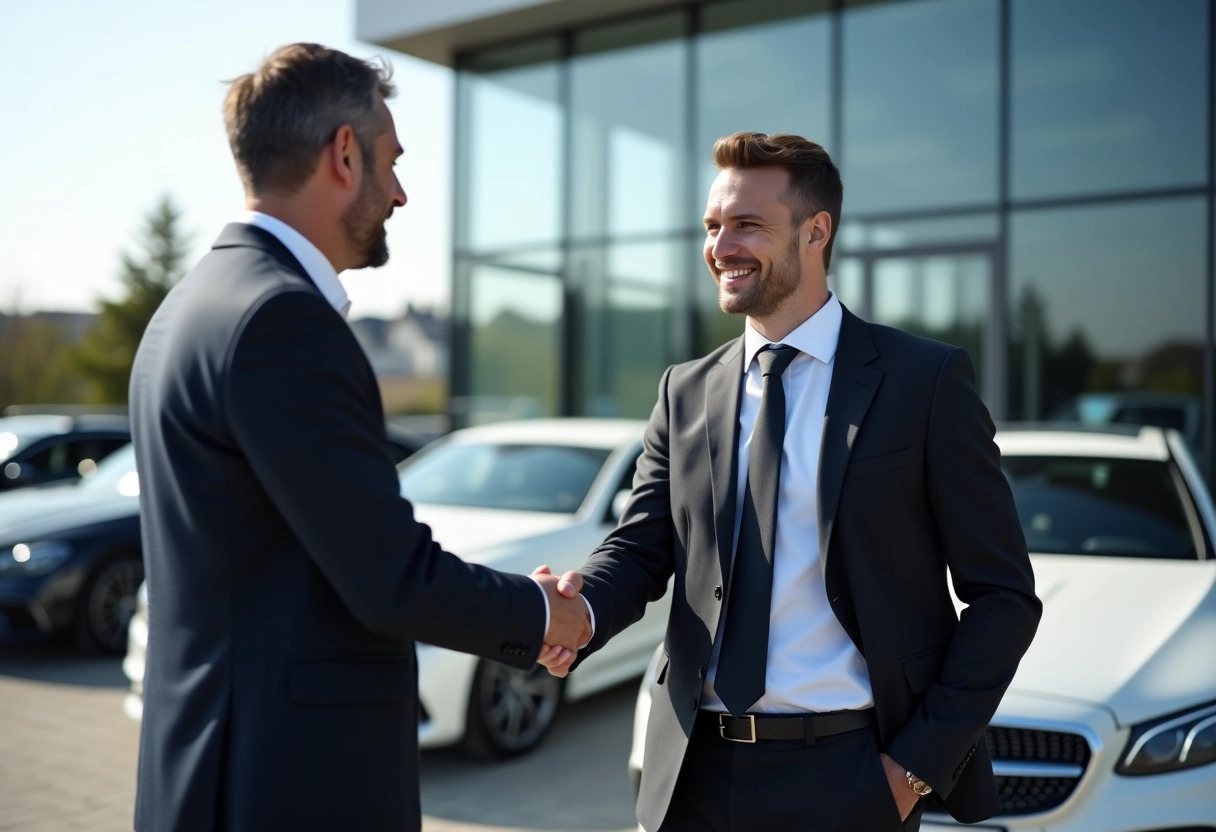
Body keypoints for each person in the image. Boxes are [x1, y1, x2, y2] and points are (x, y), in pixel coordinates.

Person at [128, 43, 590, 832]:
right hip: (288, 784)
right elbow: (389, 579)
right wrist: (546, 615)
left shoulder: (188, 307)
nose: (402, 192)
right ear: (344, 154)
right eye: (392, 160)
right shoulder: (283, 321)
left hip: (206, 769)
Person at [540, 132, 1041, 832]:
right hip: (690, 775)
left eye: (747, 224)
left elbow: (1004, 597)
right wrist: (574, 608)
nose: (721, 247)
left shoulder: (922, 383)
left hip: (850, 776)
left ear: (816, 231)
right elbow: (640, 550)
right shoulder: (684, 391)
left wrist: (913, 769)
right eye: (713, 227)